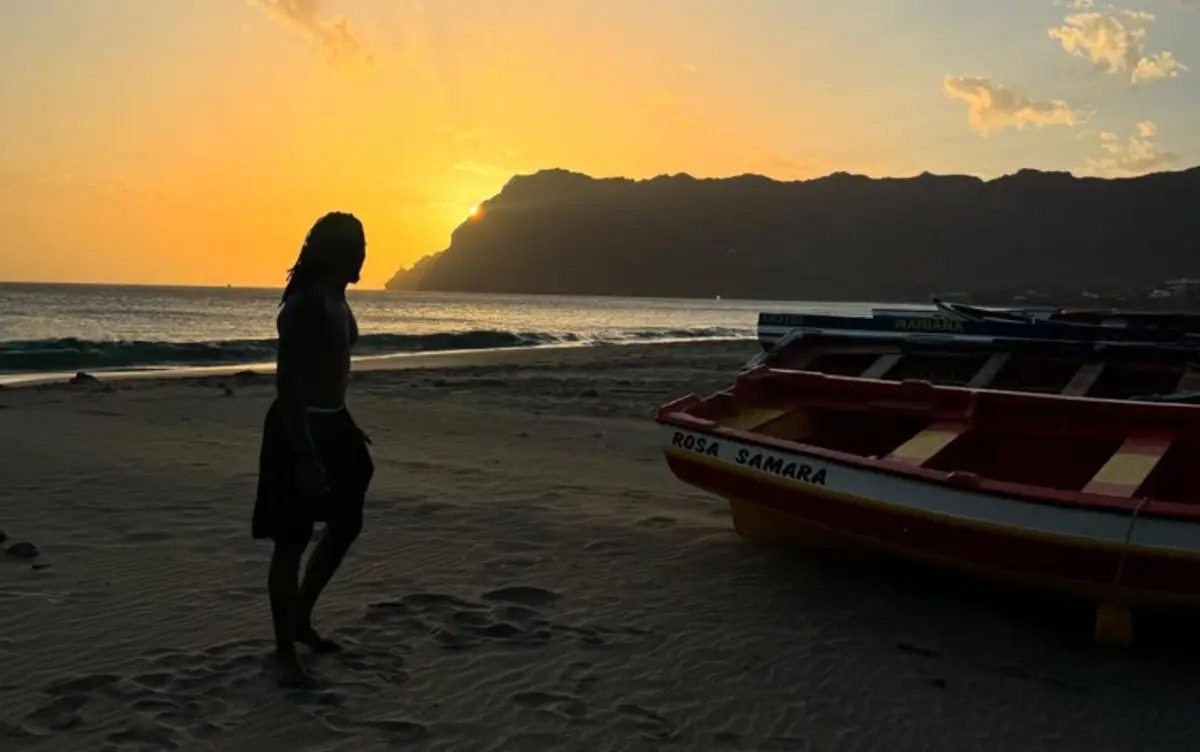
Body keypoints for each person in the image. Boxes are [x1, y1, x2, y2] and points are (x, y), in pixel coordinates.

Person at [252, 211, 375, 689]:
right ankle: (285, 650)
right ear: (336, 252)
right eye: (357, 247)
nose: (364, 254)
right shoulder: (305, 305)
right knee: (291, 541)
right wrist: (304, 453)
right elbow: (288, 385)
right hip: (296, 428)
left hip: (334, 422)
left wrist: (346, 424)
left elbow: (333, 372)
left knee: (347, 522)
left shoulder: (338, 299)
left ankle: (301, 616)